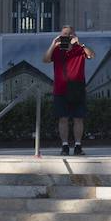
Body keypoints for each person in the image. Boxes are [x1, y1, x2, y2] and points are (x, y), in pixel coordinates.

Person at [43, 25, 95, 156]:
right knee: (63, 118)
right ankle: (65, 145)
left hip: (77, 88)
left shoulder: (79, 49)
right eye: (64, 34)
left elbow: (92, 55)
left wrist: (80, 44)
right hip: (61, 88)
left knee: (78, 118)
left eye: (69, 34)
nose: (66, 36)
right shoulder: (57, 49)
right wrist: (53, 44)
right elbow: (46, 60)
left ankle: (78, 145)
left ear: (74, 35)